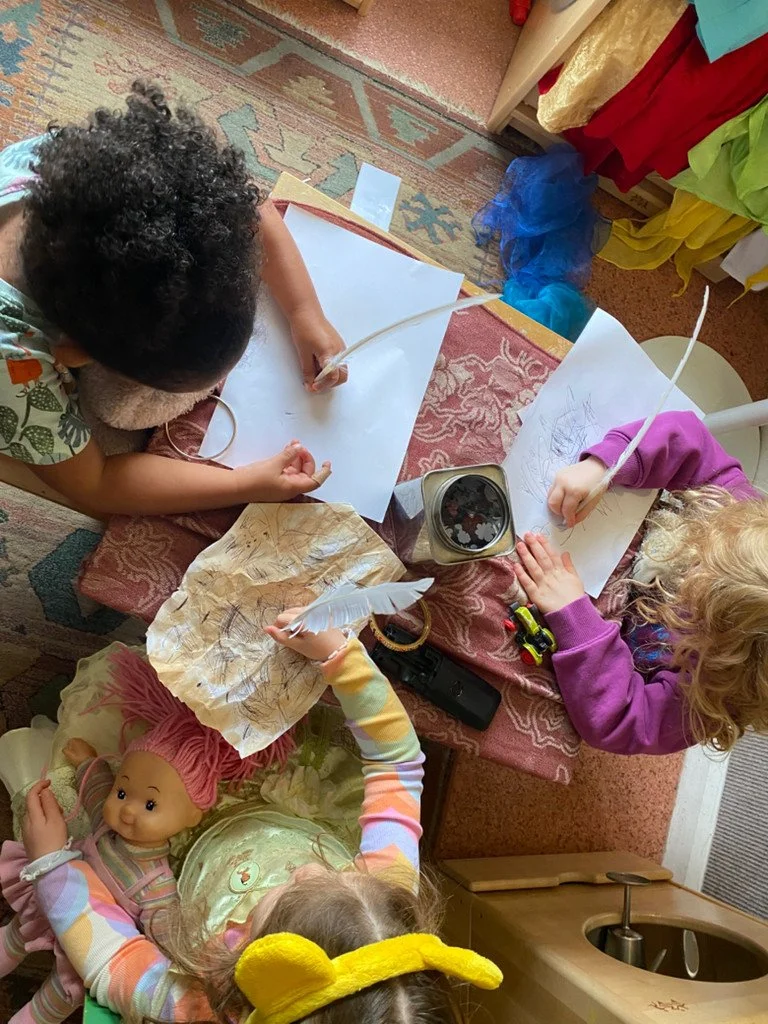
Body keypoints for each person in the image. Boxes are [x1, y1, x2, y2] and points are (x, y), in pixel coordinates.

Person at [16, 610, 501, 1024]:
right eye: (342, 874)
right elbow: (396, 761)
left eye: (292, 893)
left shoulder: (204, 1004)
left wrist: (52, 864)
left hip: (183, 872)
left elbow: (112, 958)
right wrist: (342, 658)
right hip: (278, 818)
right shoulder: (383, 913)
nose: (308, 870)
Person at [0, 81, 347, 516]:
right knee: (115, 418)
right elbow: (97, 484)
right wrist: (243, 483)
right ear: (72, 355)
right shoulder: (13, 365)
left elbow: (244, 207)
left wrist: (304, 311)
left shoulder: (100, 167)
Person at [512, 410, 767, 755]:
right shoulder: (745, 523)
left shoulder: (714, 696)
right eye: (705, 556)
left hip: (604, 641)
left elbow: (622, 721)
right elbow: (687, 438)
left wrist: (575, 619)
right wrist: (605, 466)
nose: (689, 575)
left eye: (698, 595)